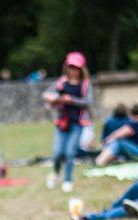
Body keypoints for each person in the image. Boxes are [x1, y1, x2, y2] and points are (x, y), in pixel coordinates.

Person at [42, 51, 93, 193]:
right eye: (71, 67)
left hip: (78, 123)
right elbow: (46, 95)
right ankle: (55, 172)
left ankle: (67, 180)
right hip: (62, 123)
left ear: (81, 69)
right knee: (58, 152)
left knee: (70, 152)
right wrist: (54, 98)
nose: (73, 70)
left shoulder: (85, 84)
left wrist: (71, 100)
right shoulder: (61, 83)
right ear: (66, 67)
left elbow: (88, 102)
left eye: (76, 68)